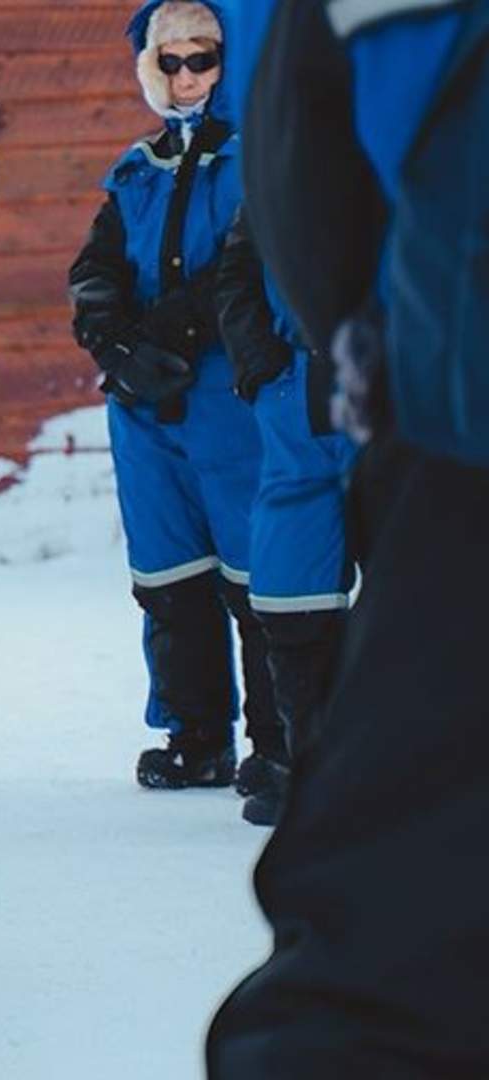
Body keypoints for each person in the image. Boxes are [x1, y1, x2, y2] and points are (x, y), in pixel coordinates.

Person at [207, 0, 489, 1072]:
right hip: (405, 407)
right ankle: (279, 739)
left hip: (451, 439)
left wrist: (373, 348)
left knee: (382, 943)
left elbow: (300, 159)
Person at [67, 0, 276, 793]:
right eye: (172, 60)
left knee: (257, 572)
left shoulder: (256, 157)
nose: (188, 75)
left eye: (203, 57)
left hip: (229, 396)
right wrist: (113, 342)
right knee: (169, 574)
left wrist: (173, 335)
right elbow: (96, 268)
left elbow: (245, 265)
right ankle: (195, 734)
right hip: (146, 407)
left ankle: (279, 737)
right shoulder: (136, 168)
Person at [213, 207, 356, 826]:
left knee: (418, 594)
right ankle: (312, 769)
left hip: (397, 402)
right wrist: (258, 364)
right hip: (294, 399)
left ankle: (413, 774)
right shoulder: (276, 164)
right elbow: (237, 271)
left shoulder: (418, 149)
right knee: (288, 596)